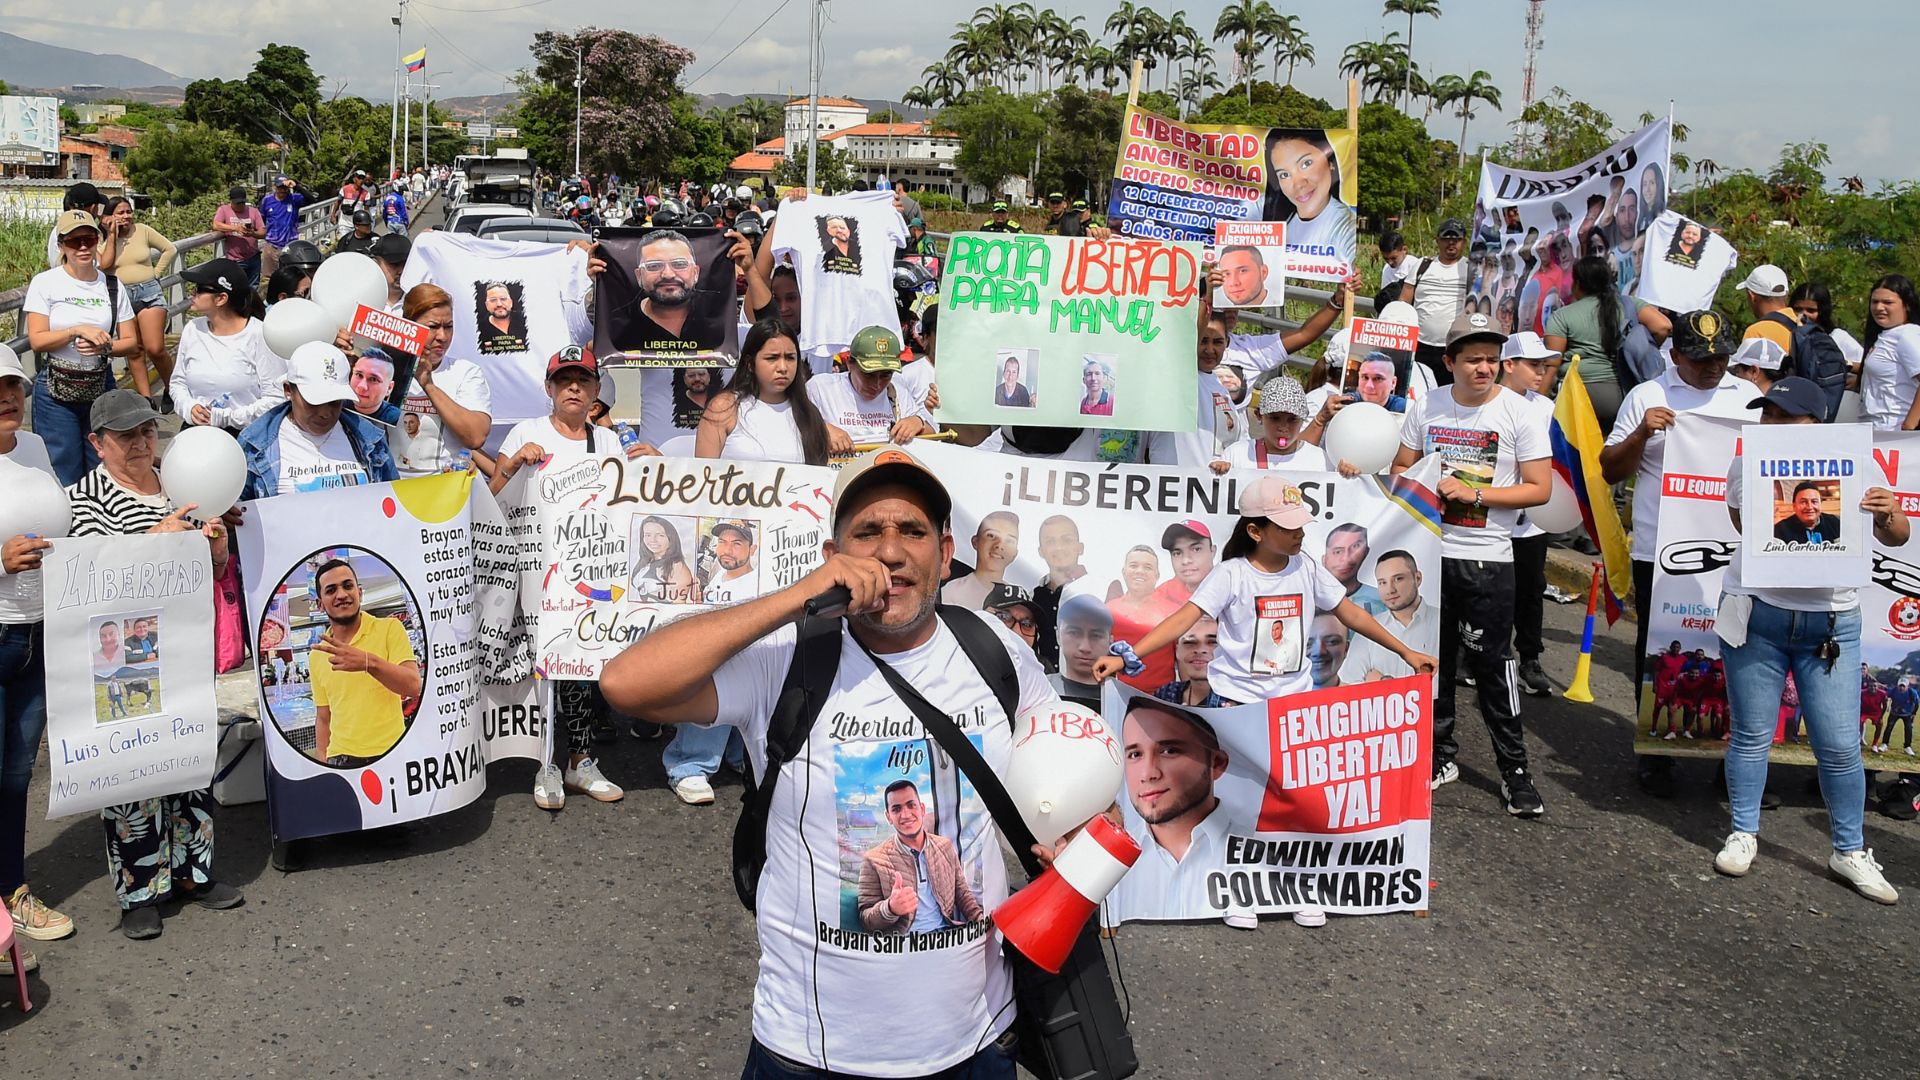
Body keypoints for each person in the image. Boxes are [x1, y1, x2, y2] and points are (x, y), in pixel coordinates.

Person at [598, 446, 1055, 1078]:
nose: (890, 551)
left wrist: (1084, 825)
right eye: (867, 532)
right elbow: (627, 684)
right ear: (832, 555)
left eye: (912, 532)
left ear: (946, 555)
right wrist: (802, 597)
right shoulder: (786, 655)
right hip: (811, 1053)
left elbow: (1063, 762)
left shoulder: (995, 649)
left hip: (977, 1043)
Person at [1712, 376, 1906, 905]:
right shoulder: (1745, 461)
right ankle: (1743, 831)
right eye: (1766, 413)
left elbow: (1897, 534)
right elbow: (1742, 526)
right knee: (1751, 733)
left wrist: (1887, 511)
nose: (1770, 424)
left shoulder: (1858, 464)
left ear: (1814, 422)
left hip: (1831, 624)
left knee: (1840, 745)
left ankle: (1850, 849)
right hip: (1757, 614)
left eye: (1783, 415)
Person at [64, 390, 241, 939]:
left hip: (186, 650)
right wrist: (153, 541)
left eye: (147, 431)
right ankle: (140, 890)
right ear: (97, 443)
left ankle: (195, 871)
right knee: (133, 773)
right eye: (126, 436)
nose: (142, 443)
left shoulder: (184, 481)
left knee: (192, 759)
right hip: (123, 660)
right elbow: (87, 580)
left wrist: (215, 543)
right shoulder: (81, 500)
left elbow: (216, 571)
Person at [1393, 313, 1551, 815]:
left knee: (1493, 666)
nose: (1484, 368)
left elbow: (1540, 490)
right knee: (1429, 662)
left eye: (1491, 359)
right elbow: (1402, 465)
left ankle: (1515, 771)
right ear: (1449, 362)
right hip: (1429, 555)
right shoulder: (1429, 406)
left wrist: (1474, 492)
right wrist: (1421, 486)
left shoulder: (1519, 414)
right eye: (1473, 359)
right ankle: (1439, 756)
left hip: (1488, 560)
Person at [1600, 309, 1760, 796]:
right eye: (1699, 359)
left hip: (1735, 548)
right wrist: (1642, 433)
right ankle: (1657, 752)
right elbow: (1609, 470)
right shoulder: (1648, 395)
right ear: (1674, 355)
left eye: (1720, 357)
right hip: (1662, 547)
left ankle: (1729, 755)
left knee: (1738, 647)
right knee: (1660, 645)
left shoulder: (1750, 398)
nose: (1712, 366)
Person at [1095, 476, 1432, 706]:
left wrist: (1407, 653)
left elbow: (1352, 613)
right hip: (1234, 703)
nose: (1299, 533)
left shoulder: (1307, 567)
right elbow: (1182, 620)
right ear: (1255, 531)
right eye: (1288, 527)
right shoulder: (1231, 574)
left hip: (1292, 701)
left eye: (1300, 524)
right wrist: (1126, 656)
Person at [491, 346, 630, 810]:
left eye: (583, 380)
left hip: (589, 570)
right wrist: (513, 462)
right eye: (564, 380)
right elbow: (491, 499)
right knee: (542, 668)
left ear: (595, 391)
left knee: (584, 666)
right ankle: (545, 762)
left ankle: (581, 760)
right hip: (536, 569)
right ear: (549, 389)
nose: (574, 387)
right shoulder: (526, 431)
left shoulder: (607, 442)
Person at [0, 348, 74, 956]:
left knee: (17, 774)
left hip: (38, 633)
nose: (7, 397)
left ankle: (11, 890)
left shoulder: (35, 447)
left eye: (14, 386)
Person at [1105, 698, 1256, 927]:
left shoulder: (1264, 854)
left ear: (1217, 763)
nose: (1148, 774)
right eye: (1135, 754)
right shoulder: (1114, 859)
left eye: (1168, 751)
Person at [24, 210, 136, 485]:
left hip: (100, 384)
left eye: (88, 239)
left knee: (106, 466)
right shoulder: (45, 283)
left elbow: (132, 341)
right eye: (74, 242)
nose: (83, 247)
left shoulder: (111, 285)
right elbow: (37, 340)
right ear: (62, 246)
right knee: (63, 469)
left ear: (98, 240)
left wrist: (105, 347)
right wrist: (75, 331)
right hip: (56, 388)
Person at [237, 342, 398, 499]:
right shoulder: (254, 445)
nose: (325, 413)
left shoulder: (371, 440)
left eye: (335, 401)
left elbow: (395, 503)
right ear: (288, 390)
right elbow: (238, 511)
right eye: (314, 402)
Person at [306, 559, 422, 767]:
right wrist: (323, 761)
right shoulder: (318, 655)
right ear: (320, 604)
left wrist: (368, 662)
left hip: (392, 753)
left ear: (360, 592)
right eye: (331, 590)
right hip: (341, 758)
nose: (341, 594)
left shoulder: (390, 629)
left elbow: (413, 686)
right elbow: (324, 717)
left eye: (347, 586)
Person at [1498, 331, 1561, 695]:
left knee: (1531, 589)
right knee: (1490, 590)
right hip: (1492, 516)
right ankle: (1477, 653)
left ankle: (1530, 657)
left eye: (1544, 364)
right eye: (1533, 364)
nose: (1541, 371)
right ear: (1509, 365)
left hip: (1532, 520)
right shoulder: (1488, 402)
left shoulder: (1546, 408)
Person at [1542, 256, 1672, 432]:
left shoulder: (1562, 316)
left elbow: (1552, 363)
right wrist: (1640, 348)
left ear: (1578, 283)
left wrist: (1538, 400)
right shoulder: (1629, 305)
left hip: (1578, 398)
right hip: (1623, 394)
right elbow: (1663, 326)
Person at [857, 778, 985, 935]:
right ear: (888, 817)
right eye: (896, 809)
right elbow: (866, 920)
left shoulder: (944, 846)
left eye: (911, 805)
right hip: (902, 947)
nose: (905, 814)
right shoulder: (873, 859)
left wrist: (982, 924)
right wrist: (890, 908)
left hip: (946, 938)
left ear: (922, 809)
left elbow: (962, 894)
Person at [695, 319, 832, 465]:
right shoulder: (723, 407)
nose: (783, 367)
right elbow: (703, 476)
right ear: (750, 364)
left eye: (790, 358)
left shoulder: (809, 414)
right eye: (772, 358)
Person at [169, 258, 281, 433]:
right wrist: (189, 407)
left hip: (245, 435)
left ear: (221, 298)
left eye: (199, 290)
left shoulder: (259, 334)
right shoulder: (192, 329)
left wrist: (227, 417)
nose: (192, 294)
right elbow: (178, 382)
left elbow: (276, 398)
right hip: (195, 432)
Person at [395, 284, 493, 474]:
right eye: (432, 327)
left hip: (445, 492)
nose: (442, 336)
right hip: (390, 492)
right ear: (409, 325)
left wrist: (428, 385)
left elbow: (475, 437)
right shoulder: (384, 367)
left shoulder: (465, 372)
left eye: (448, 327)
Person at [806, 325, 934, 449]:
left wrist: (918, 423)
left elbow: (933, 435)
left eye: (886, 375)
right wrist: (821, 429)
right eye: (868, 375)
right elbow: (792, 424)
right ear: (850, 363)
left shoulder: (896, 389)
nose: (877, 385)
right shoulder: (821, 388)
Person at [100, 196, 177, 397]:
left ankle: (173, 389)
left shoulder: (142, 230)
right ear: (109, 216)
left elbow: (169, 249)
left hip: (148, 293)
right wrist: (111, 235)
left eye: (128, 212)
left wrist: (156, 274)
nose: (126, 216)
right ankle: (146, 399)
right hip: (121, 296)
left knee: (155, 348)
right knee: (134, 351)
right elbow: (103, 265)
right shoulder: (102, 238)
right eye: (120, 213)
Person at [1258, 130, 1357, 271]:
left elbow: (1345, 276)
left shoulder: (1344, 225)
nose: (1298, 183)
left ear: (1331, 163)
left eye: (1306, 163)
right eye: (1284, 174)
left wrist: (1348, 283)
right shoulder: (1280, 226)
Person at [1338, 549, 1440, 683]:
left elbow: (1443, 683)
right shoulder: (1367, 630)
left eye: (1398, 579)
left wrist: (1382, 681)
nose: (1390, 590)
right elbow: (1350, 683)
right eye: (1382, 582)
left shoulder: (1441, 622)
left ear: (1418, 578)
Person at [1399, 218, 1474, 384]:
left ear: (1464, 242)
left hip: (1454, 346)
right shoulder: (1422, 265)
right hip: (1419, 345)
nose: (1451, 243)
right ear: (1438, 241)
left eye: (1456, 239)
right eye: (1446, 239)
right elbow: (1403, 303)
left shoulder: (1471, 269)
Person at [1216, 373, 1328, 471]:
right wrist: (1218, 472)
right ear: (1259, 415)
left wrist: (1343, 473)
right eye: (1275, 418)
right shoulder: (1237, 455)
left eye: (1292, 419)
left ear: (1304, 417)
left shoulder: (1320, 460)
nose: (1283, 427)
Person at [1860, 275, 1920, 431]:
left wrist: (1909, 425)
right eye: (1874, 302)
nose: (1879, 307)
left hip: (1894, 430)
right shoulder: (1886, 335)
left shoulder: (1907, 334)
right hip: (1876, 430)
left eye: (1888, 302)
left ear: (1906, 305)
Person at [1029, 514, 1087, 673]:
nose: (1059, 547)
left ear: (1080, 547)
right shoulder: (1032, 597)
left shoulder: (1102, 591)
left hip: (1090, 692)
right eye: (1050, 541)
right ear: (1041, 551)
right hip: (1044, 690)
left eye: (1066, 540)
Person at [941, 512, 1018, 610]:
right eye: (991, 535)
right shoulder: (951, 593)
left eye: (1009, 541)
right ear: (975, 542)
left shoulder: (1019, 600)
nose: (999, 545)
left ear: (1015, 553)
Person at [1790, 282, 1865, 371]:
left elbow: (1867, 367)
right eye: (1798, 309)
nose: (1803, 315)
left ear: (1822, 311)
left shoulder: (1837, 336)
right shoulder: (1787, 333)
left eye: (1811, 310)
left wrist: (1844, 365)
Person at [1055, 592, 1114, 706]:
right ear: (1058, 636)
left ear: (1110, 640)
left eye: (1096, 635)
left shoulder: (1124, 701)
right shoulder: (1037, 690)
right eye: (1074, 633)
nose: (1085, 647)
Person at [1154, 617, 1226, 708]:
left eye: (1212, 642)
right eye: (1190, 642)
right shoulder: (1167, 694)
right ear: (1177, 651)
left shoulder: (1239, 700)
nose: (1200, 650)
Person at [1736, 264, 1797, 361]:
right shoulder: (1803, 322)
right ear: (1786, 294)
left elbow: (1749, 373)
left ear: (1752, 296)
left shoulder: (1756, 332)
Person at [211, 186, 267, 290]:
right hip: (235, 260)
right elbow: (216, 225)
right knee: (236, 289)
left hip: (253, 257)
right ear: (231, 201)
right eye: (237, 203)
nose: (240, 205)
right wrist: (235, 228)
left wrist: (252, 234)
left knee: (253, 289)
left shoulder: (253, 211)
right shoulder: (224, 210)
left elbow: (263, 232)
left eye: (242, 203)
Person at [1321, 523, 1383, 616]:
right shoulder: (1308, 600)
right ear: (1324, 559)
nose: (1346, 558)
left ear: (1366, 552)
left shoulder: (1383, 600)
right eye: (1338, 551)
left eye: (1355, 547)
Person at [258, 176, 307, 283]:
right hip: (271, 245)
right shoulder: (267, 201)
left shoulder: (294, 199)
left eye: (285, 187)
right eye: (280, 187)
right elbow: (261, 219)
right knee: (268, 280)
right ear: (274, 186)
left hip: (290, 245)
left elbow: (311, 199)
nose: (283, 190)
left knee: (291, 278)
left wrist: (296, 186)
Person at [1773, 481, 1842, 545]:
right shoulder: (1779, 530)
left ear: (1821, 504)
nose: (1809, 507)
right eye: (1803, 502)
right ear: (1794, 506)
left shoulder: (1836, 523)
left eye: (1814, 502)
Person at [983, 583, 1039, 653]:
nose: (1017, 632)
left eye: (1027, 624)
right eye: (1003, 616)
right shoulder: (966, 660)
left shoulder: (1039, 663)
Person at [349, 351, 402, 425]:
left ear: (389, 388)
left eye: (373, 379)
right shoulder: (336, 402)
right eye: (359, 375)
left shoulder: (397, 420)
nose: (362, 386)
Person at [1306, 611, 1348, 689]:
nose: (1318, 651)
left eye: (1331, 642)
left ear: (1346, 649)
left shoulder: (1365, 698)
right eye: (1307, 644)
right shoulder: (1279, 699)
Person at [1877, 678, 1918, 756]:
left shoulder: (1912, 693)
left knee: (1908, 729)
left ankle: (1907, 747)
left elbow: (1916, 704)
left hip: (1907, 714)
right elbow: (1885, 694)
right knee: (1889, 727)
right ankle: (1884, 744)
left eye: (1903, 686)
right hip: (1894, 713)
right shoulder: (1893, 690)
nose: (1901, 688)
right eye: (1900, 686)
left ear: (1907, 687)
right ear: (1897, 685)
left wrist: (1914, 713)